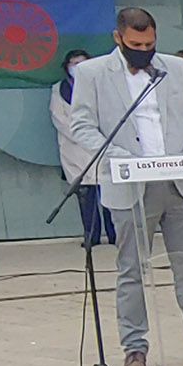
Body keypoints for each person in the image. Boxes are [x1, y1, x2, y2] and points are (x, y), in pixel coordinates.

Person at [62, 7, 183, 366]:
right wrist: (120, 157)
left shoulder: (175, 69)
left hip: (179, 182)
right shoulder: (92, 74)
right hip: (130, 184)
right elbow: (82, 126)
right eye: (135, 44)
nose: (143, 49)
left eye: (150, 43)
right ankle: (135, 350)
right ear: (118, 38)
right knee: (131, 269)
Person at [51, 48, 116, 249]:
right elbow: (59, 119)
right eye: (74, 63)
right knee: (86, 197)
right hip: (75, 150)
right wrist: (82, 135)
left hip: (101, 146)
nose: (77, 67)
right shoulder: (59, 89)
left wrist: (94, 136)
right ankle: (91, 236)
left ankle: (115, 235)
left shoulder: (100, 86)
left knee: (110, 196)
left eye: (82, 62)